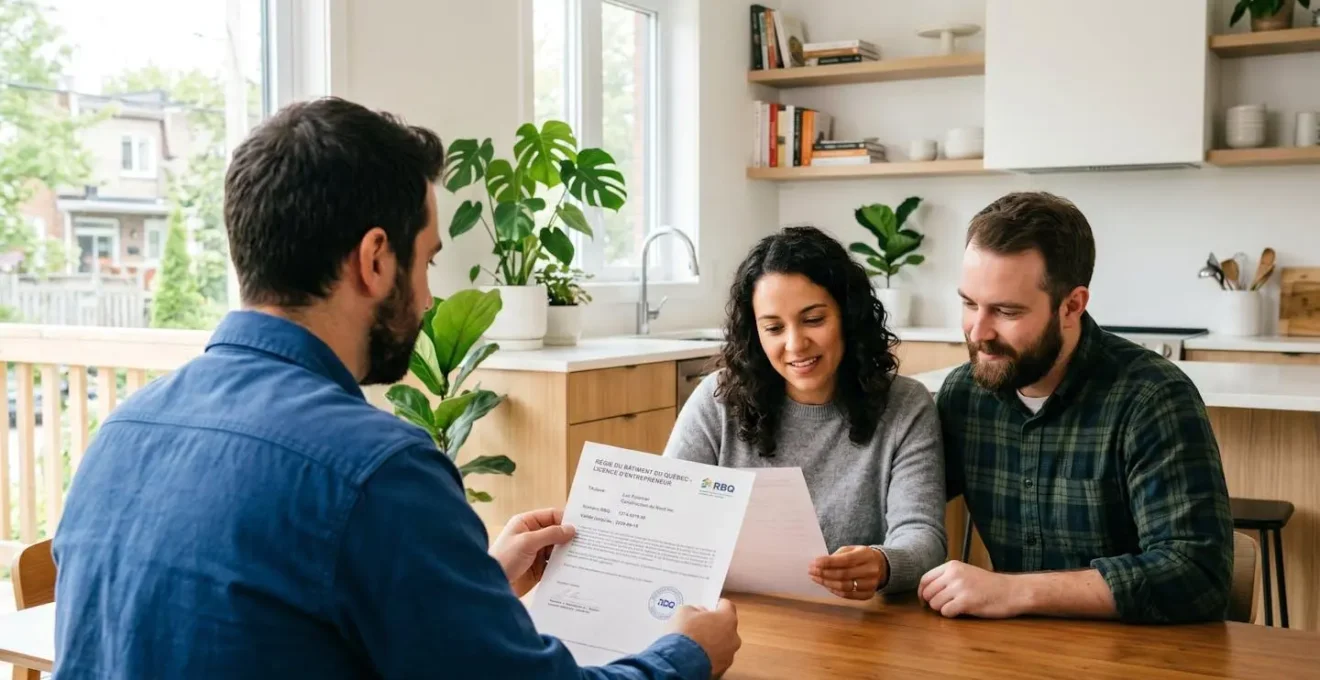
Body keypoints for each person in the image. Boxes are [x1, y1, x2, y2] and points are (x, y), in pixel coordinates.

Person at [52, 97, 740, 679]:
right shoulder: (376, 470)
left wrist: (474, 584)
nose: (429, 296)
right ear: (376, 259)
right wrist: (685, 655)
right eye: (428, 261)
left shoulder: (121, 432)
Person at [923, 191, 1233, 623]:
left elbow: (1198, 575)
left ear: (1071, 306)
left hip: (1139, 649)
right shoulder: (964, 395)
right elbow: (907, 505)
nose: (978, 332)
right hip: (1009, 648)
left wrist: (1014, 591)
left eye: (1006, 311)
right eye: (969, 304)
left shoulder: (1153, 398)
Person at [664, 226, 946, 599]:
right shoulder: (717, 401)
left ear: (848, 315)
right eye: (773, 328)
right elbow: (668, 515)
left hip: (857, 619)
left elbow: (923, 537)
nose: (795, 344)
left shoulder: (905, 406)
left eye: (813, 320)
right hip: (741, 614)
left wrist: (883, 564)